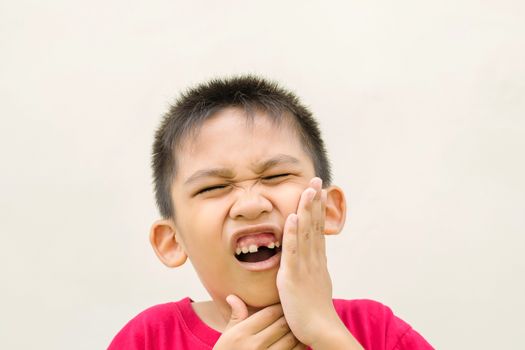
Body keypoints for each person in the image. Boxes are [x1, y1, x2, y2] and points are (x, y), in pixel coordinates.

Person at [108, 75, 433, 349]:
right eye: (212, 188)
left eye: (276, 177)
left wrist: (326, 333)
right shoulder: (150, 338)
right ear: (172, 241)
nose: (251, 205)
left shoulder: (377, 331)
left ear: (328, 209)